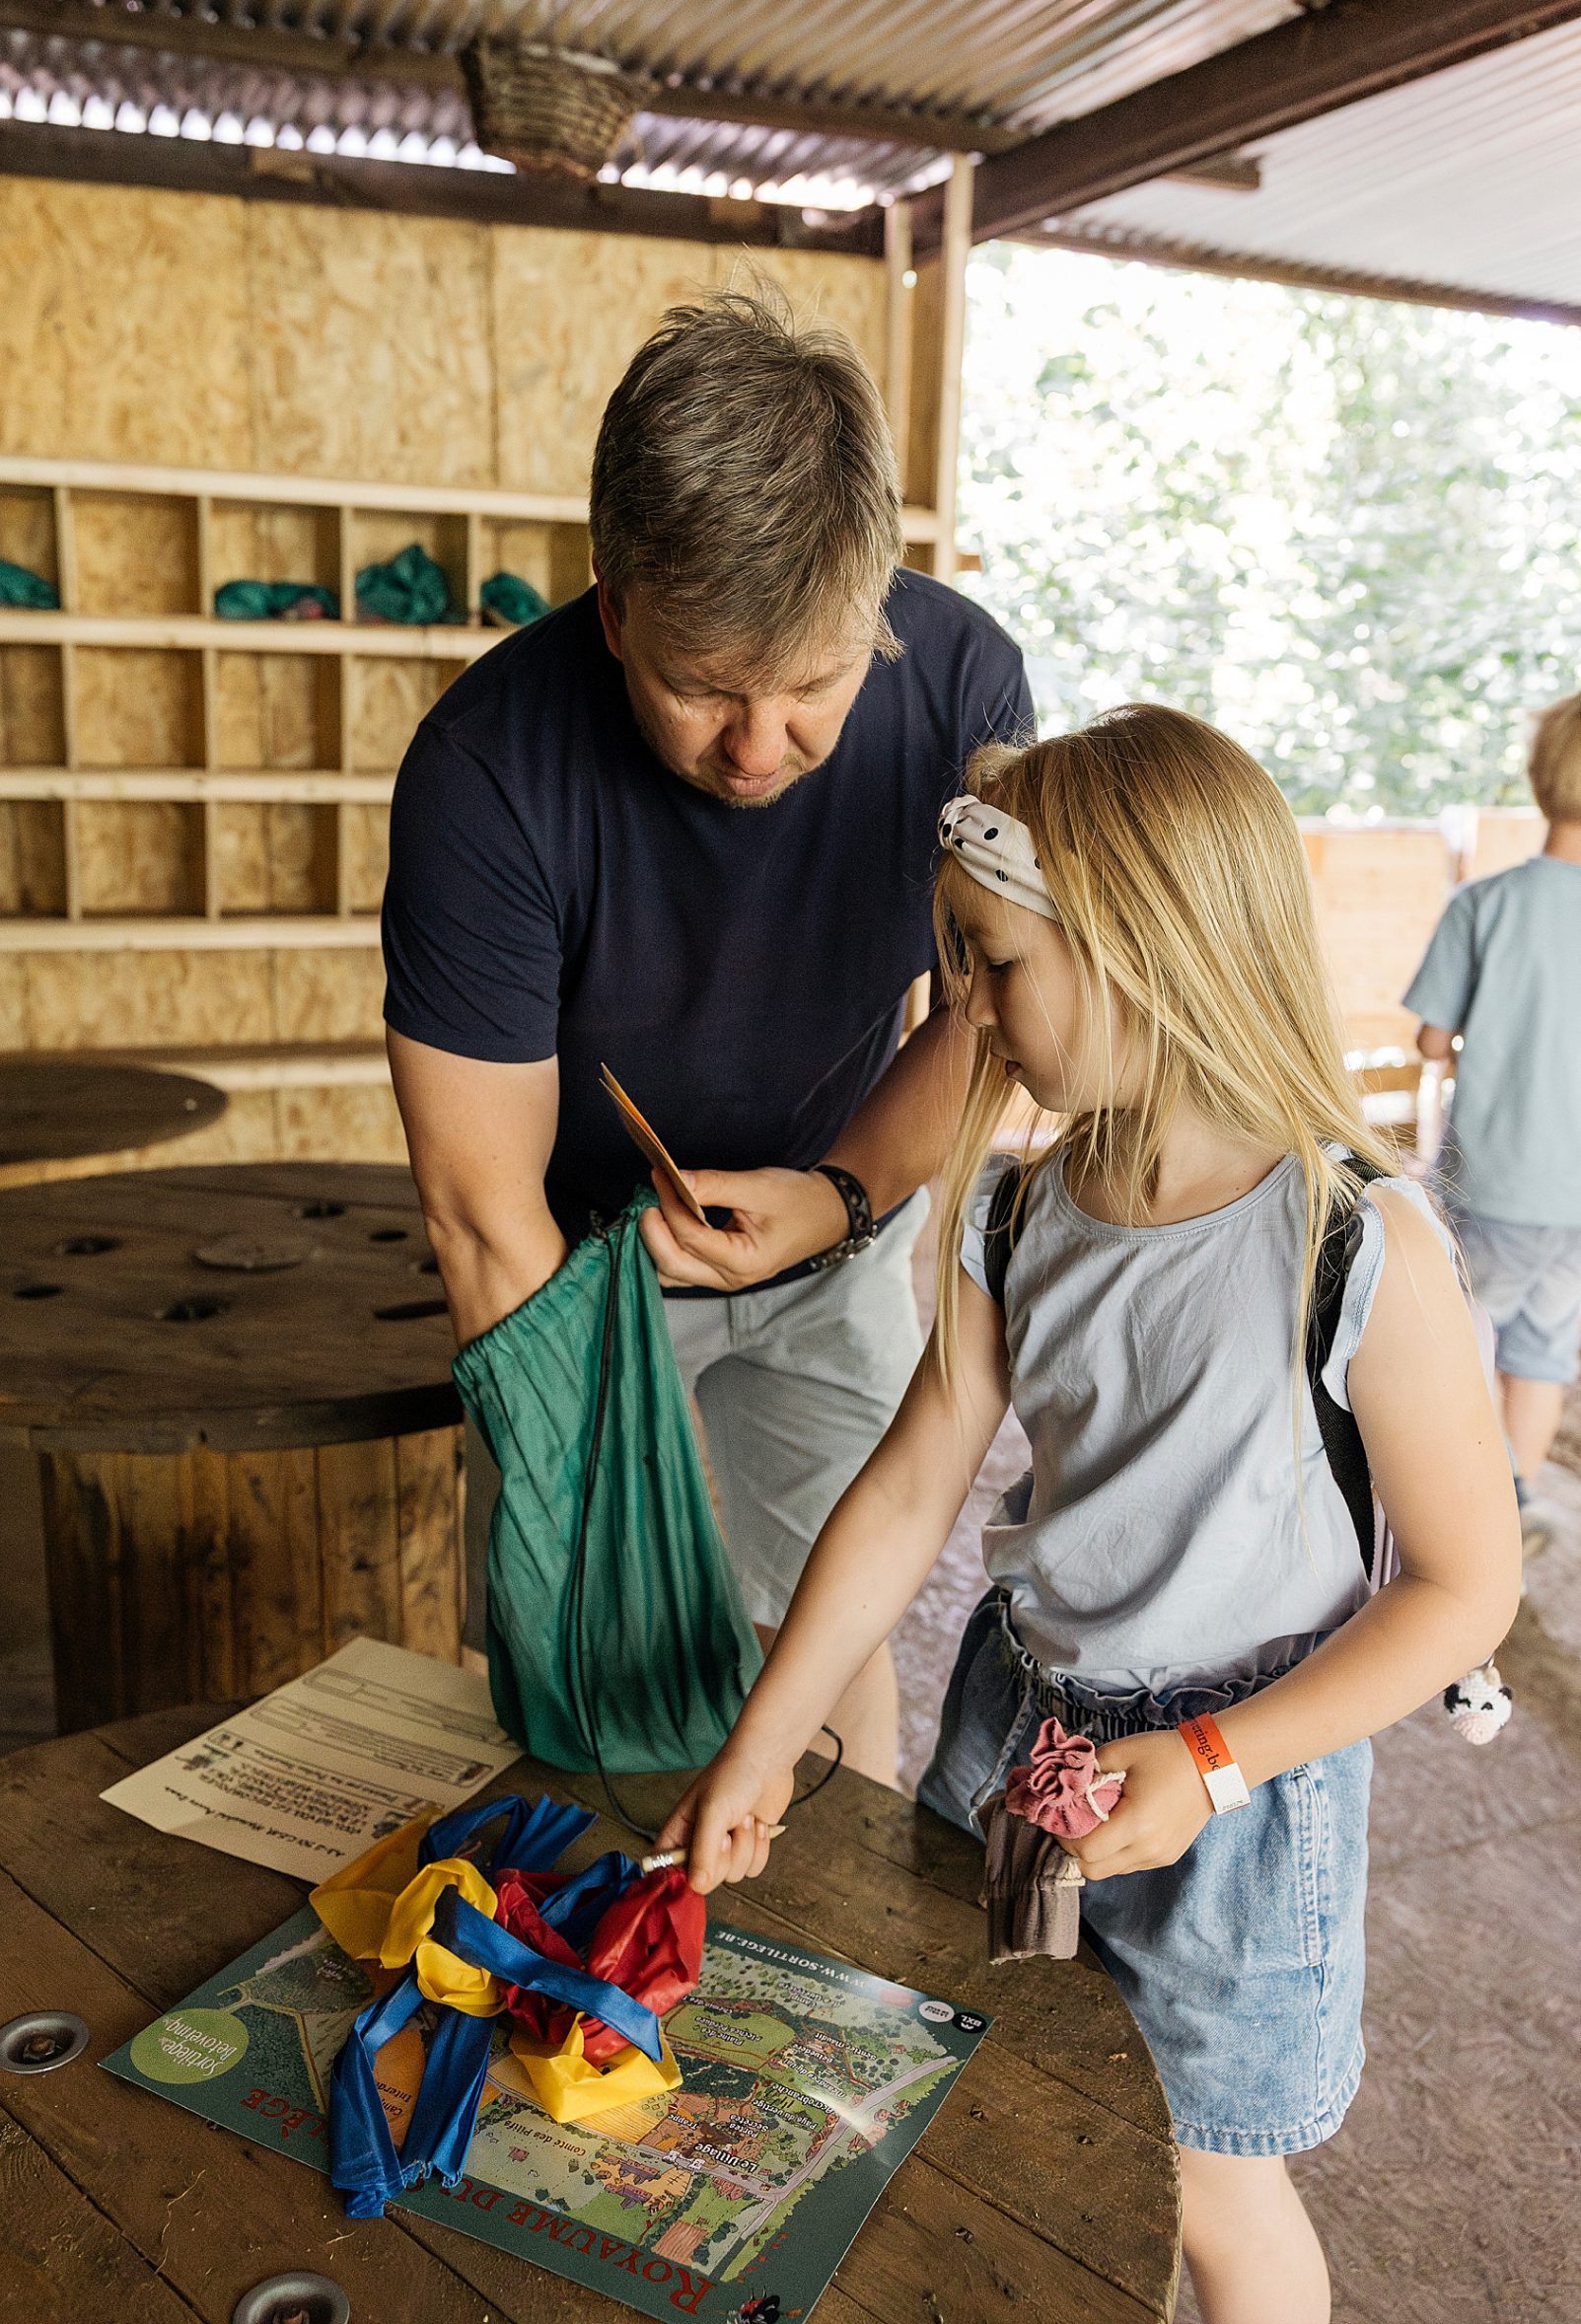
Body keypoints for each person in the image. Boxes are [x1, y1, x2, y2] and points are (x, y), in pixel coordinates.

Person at [657, 705, 1520, 2324]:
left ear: (1141, 951)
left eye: (991, 965)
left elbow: (1463, 1593)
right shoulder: (1014, 1211)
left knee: (1204, 2179)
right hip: (1029, 1748)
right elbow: (911, 1487)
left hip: (1238, 1795)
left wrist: (1207, 1765)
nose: (963, 1009)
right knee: (1013, 2090)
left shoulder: (1358, 1244)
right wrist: (763, 1746)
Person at [383, 289, 1031, 1783]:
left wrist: (849, 1193)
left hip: (838, 1223)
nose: (756, 747)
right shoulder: (485, 771)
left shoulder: (960, 687)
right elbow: (479, 1210)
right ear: (612, 608)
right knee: (594, 1657)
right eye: (697, 687)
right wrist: (594, 1500)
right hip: (578, 1269)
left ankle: (833, 1999)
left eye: (810, 687)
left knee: (829, 1633)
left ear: (876, 608)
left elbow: (988, 1011)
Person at [1406, 690, 1581, 1551]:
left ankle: (1484, 1500)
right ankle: (1516, 1499)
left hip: (1496, 1178)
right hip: (1576, 1199)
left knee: (1468, 1335)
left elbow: (1431, 1040)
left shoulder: (1485, 906)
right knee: (1546, 1348)